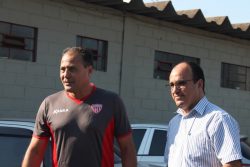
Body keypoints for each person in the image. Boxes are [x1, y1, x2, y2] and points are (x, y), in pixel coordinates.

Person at [22, 47, 137, 167]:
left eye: (72, 69)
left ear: (89, 70)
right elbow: (35, 151)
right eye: (62, 69)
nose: (65, 75)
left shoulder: (111, 102)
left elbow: (127, 149)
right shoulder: (49, 104)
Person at [164, 61, 242, 167]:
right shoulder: (174, 123)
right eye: (171, 85)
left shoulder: (218, 120)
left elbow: (232, 165)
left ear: (199, 84)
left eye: (181, 83)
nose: (175, 90)